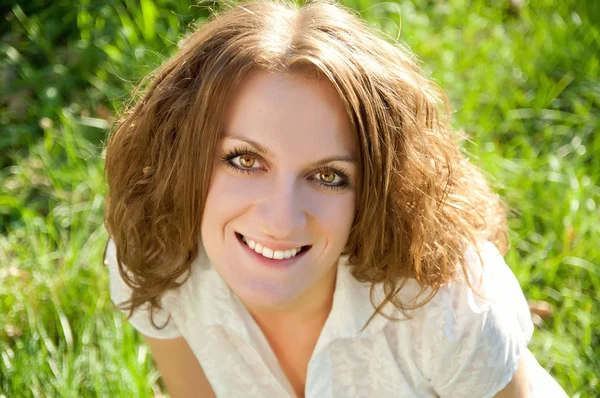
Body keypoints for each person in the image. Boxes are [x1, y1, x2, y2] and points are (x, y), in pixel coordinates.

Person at [103, 1, 569, 397]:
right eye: (244, 160)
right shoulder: (153, 254)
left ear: (377, 190)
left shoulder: (451, 308)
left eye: (328, 176)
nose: (282, 220)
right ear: (181, 154)